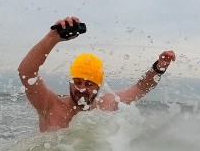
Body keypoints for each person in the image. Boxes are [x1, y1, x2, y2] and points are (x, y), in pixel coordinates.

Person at [18, 16, 176, 131]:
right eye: (77, 82)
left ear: (98, 86)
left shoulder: (106, 105)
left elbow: (141, 88)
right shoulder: (50, 106)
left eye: (88, 84)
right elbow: (26, 72)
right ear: (70, 82)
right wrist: (53, 38)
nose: (81, 88)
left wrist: (158, 68)